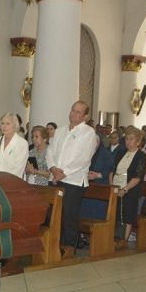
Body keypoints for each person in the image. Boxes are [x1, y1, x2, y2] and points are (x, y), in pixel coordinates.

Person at [46, 101, 98, 258]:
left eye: (78, 112)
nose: (74, 114)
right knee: (53, 214)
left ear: (85, 116)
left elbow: (83, 158)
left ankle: (68, 247)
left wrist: (64, 172)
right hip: (55, 177)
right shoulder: (60, 130)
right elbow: (50, 151)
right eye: (73, 110)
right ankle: (54, 244)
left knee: (69, 215)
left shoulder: (88, 133)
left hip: (74, 180)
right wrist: (53, 168)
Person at [110, 126, 146, 249]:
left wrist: (125, 189)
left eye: (131, 139)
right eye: (126, 139)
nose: (128, 142)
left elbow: (138, 176)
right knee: (114, 213)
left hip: (130, 189)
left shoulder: (141, 156)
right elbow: (113, 170)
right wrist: (112, 186)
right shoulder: (120, 153)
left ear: (138, 141)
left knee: (128, 214)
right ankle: (113, 237)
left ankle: (124, 239)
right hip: (116, 187)